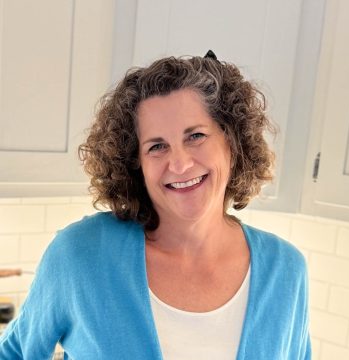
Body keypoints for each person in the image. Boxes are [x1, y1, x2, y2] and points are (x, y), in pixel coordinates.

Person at [0, 51, 311, 359]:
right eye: (157, 146)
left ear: (232, 143)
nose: (179, 163)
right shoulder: (81, 256)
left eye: (196, 136)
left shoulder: (286, 271)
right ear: (136, 163)